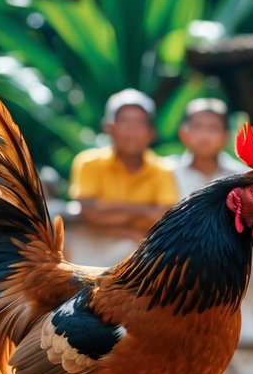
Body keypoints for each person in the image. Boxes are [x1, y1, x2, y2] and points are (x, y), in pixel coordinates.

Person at [68, 88, 178, 266]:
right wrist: (141, 213)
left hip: (142, 248)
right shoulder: (88, 162)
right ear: (108, 127)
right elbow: (89, 214)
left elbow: (161, 218)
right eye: (124, 121)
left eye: (139, 123)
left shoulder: (163, 169)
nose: (132, 131)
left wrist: (109, 207)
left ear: (151, 132)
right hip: (95, 243)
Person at [171, 97, 243, 195]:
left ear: (227, 136)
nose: (205, 135)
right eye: (198, 126)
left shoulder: (240, 177)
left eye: (214, 128)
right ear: (183, 133)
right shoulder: (168, 172)